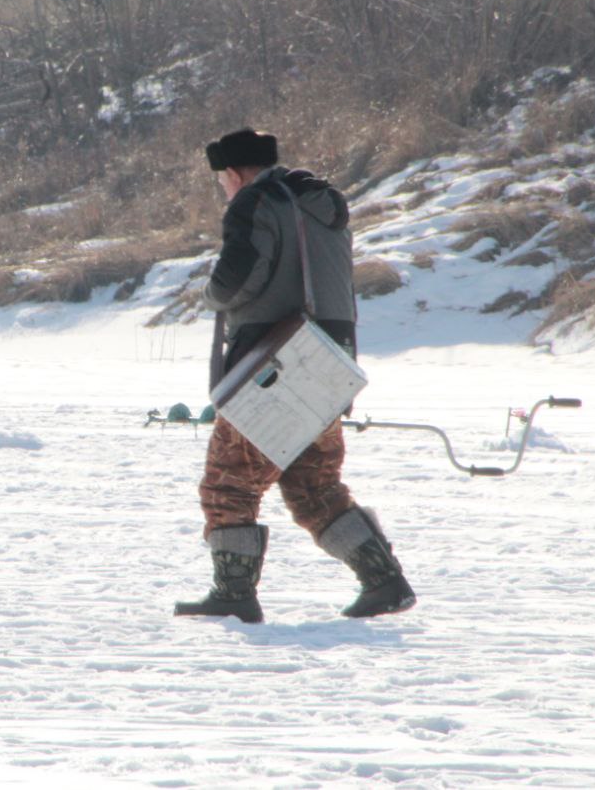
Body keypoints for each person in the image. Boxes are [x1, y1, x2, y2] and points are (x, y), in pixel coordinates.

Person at [174, 128, 416, 624]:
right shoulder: (320, 202)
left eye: (222, 178)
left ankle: (234, 592)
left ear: (234, 173)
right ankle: (383, 581)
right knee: (316, 487)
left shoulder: (254, 202)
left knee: (229, 483)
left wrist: (211, 295)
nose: (224, 187)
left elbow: (238, 279)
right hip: (328, 360)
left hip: (275, 364)